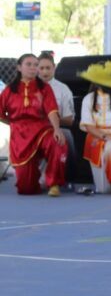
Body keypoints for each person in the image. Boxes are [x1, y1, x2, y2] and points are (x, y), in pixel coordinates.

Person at [0, 53, 66, 196]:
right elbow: (1, 114)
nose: (33, 68)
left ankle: (54, 183)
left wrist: (57, 129)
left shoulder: (44, 88)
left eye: (35, 65)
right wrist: (14, 124)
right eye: (28, 64)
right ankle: (37, 181)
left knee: (57, 142)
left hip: (42, 130)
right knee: (26, 189)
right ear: (19, 67)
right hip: (20, 135)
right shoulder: (9, 90)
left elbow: (52, 110)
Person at [36, 53, 77, 185]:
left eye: (48, 68)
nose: (45, 72)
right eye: (41, 68)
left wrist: (52, 120)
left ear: (54, 67)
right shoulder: (28, 88)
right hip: (32, 130)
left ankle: (55, 177)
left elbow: (69, 120)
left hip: (56, 129)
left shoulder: (63, 89)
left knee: (62, 137)